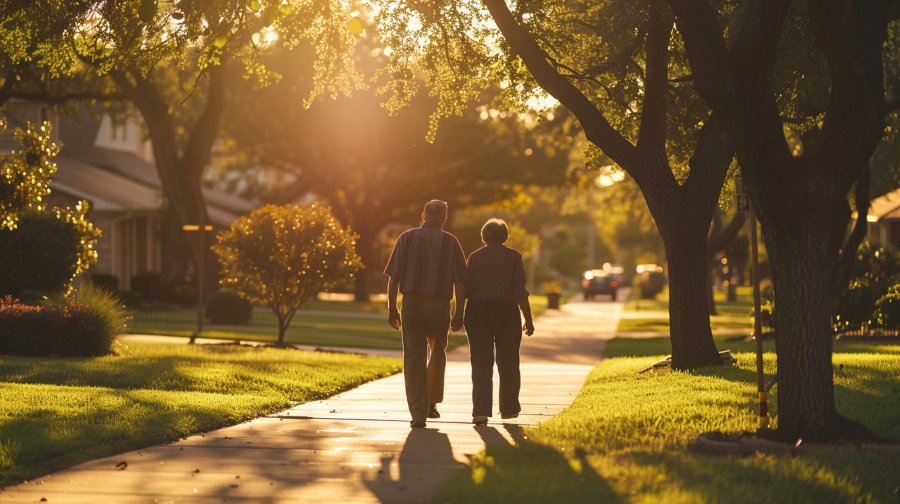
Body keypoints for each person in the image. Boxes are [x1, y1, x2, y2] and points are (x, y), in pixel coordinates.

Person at [384, 200, 467, 428]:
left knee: (413, 356)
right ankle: (431, 402)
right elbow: (460, 282)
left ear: (423, 215)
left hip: (412, 303)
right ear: (444, 218)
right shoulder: (451, 242)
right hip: (439, 305)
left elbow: (394, 278)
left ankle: (418, 413)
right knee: (437, 351)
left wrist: (392, 308)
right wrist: (460, 311)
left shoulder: (406, 238)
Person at [464, 218, 534, 425]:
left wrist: (459, 312)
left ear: (484, 236)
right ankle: (509, 408)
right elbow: (520, 291)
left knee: (480, 362)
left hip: (478, 311)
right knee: (509, 361)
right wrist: (528, 319)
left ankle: (480, 411)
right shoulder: (513, 257)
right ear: (505, 236)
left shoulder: (475, 257)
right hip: (506, 312)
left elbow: (465, 288)